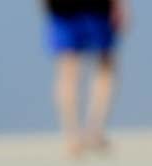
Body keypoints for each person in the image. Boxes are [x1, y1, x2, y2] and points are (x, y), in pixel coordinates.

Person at [42, 0, 129, 157]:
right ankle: (88, 132)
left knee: (70, 68)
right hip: (83, 9)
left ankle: (77, 135)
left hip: (71, 10)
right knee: (93, 66)